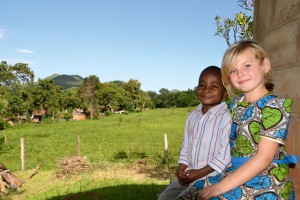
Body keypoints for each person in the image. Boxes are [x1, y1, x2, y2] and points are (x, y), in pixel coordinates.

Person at [179, 41, 298, 200]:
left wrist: (218, 188)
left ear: (265, 65)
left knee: (212, 196)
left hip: (263, 178)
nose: (240, 73)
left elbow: (264, 158)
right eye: (233, 70)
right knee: (188, 195)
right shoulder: (235, 106)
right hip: (233, 171)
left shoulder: (274, 107)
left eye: (247, 65)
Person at [157, 66, 232, 200]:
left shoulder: (226, 118)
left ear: (225, 92)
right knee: (164, 198)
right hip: (188, 175)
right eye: (202, 85)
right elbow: (185, 148)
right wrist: (181, 169)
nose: (206, 89)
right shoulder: (192, 116)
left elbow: (225, 157)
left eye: (214, 86)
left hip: (212, 177)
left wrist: (197, 174)